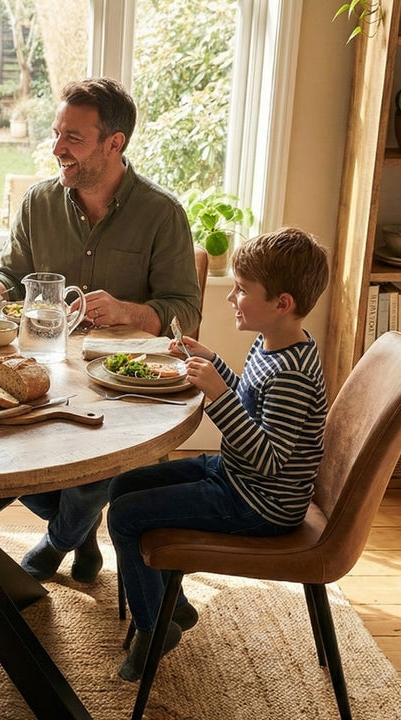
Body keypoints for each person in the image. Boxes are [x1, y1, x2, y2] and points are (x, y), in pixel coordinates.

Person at [0, 77, 202, 582]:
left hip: (125, 387)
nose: (56, 149)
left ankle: (57, 542)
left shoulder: (163, 214)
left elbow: (186, 312)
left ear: (114, 143)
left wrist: (127, 312)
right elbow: (12, 274)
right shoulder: (37, 204)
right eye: (56, 134)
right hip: (42, 371)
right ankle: (83, 529)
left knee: (103, 456)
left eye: (72, 137)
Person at [106, 227, 330, 681]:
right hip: (238, 477)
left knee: (126, 515)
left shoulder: (292, 374)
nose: (232, 298)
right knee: (124, 484)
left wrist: (216, 393)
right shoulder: (276, 343)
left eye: (243, 291)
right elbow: (251, 400)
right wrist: (213, 362)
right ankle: (176, 605)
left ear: (281, 303)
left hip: (260, 504)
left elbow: (268, 458)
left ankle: (155, 629)